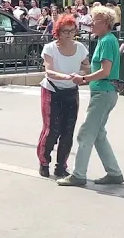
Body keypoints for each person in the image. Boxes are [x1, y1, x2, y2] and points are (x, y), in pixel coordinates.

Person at [58, 6, 124, 187]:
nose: (91, 23)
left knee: (86, 133)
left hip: (103, 92)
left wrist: (84, 78)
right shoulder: (107, 39)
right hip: (105, 91)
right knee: (98, 134)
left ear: (106, 23)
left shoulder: (106, 41)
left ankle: (79, 174)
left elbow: (105, 71)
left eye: (95, 21)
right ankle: (114, 172)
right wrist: (85, 78)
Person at [37, 13, 88, 179]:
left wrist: (82, 74)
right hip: (52, 90)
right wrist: (66, 76)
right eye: (66, 31)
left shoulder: (80, 48)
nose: (69, 34)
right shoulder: (50, 48)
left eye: (72, 31)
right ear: (58, 32)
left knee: (68, 131)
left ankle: (61, 166)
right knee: (52, 129)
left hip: (71, 91)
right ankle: (44, 163)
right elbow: (49, 71)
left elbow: (86, 66)